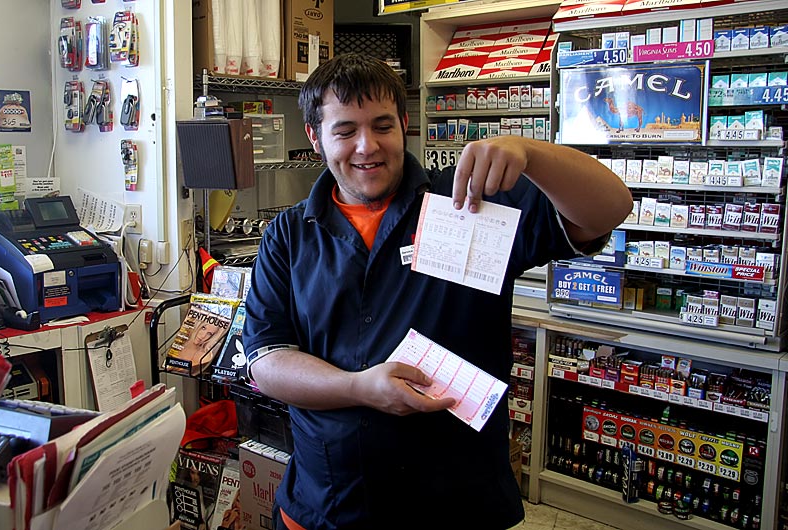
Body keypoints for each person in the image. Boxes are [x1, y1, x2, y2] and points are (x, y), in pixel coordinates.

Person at [242, 53, 632, 530]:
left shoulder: (468, 204)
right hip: (326, 504)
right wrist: (357, 388)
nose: (367, 146)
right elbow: (267, 362)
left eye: (383, 126)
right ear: (315, 137)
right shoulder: (288, 234)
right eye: (345, 131)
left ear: (404, 124)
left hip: (457, 503)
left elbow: (609, 207)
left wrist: (532, 154)